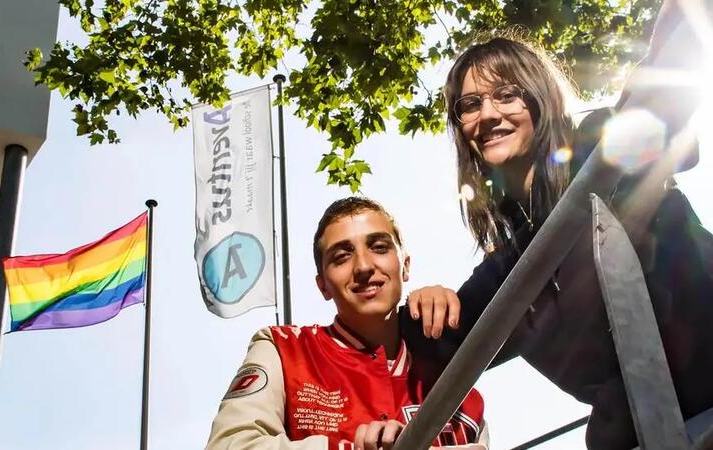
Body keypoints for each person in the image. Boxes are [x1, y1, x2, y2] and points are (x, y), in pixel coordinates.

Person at [401, 11, 713, 450]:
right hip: (644, 435)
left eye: (506, 95)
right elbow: (409, 350)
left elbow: (663, 105)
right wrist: (425, 303)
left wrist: (681, 20)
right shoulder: (506, 271)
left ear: (538, 98)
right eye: (469, 105)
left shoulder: (593, 148)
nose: (487, 115)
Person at [206, 197, 489, 450]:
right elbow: (230, 445)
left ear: (404, 266)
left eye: (379, 247)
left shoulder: (452, 371)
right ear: (323, 286)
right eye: (342, 256)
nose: (364, 267)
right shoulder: (283, 348)